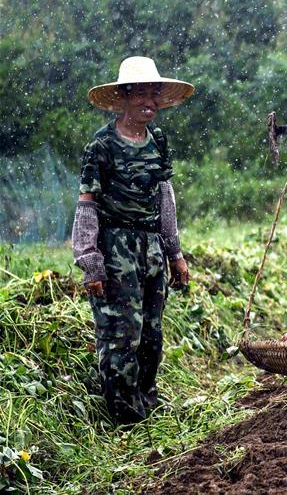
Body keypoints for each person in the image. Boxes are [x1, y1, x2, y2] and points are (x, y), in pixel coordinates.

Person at [73, 56, 194, 425]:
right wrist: (90, 261)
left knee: (151, 333)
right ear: (124, 96)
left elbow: (164, 198)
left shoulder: (157, 139)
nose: (151, 102)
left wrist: (175, 253)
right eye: (143, 94)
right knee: (121, 333)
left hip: (152, 247)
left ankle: (147, 401)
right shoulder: (101, 146)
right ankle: (125, 417)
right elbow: (87, 205)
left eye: (155, 95)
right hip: (116, 247)